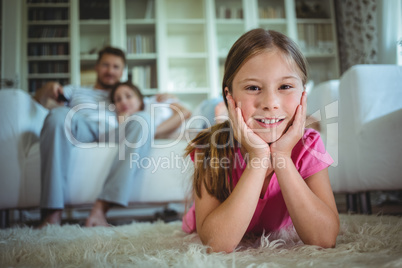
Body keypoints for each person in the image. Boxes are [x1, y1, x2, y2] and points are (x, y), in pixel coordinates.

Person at [181, 29, 340, 253]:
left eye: (285, 87)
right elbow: (216, 244)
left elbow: (324, 238)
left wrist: (282, 156)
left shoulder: (309, 144)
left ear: (303, 94)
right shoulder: (211, 147)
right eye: (253, 88)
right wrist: (259, 157)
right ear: (229, 97)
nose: (270, 103)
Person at [36, 46, 152, 228]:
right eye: (106, 65)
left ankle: (100, 211)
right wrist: (47, 88)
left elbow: (170, 111)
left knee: (144, 119)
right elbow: (39, 101)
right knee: (58, 115)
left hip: (115, 133)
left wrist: (168, 99)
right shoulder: (75, 90)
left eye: (116, 67)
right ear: (97, 67)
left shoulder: (126, 94)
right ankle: (52, 214)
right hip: (81, 126)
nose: (110, 71)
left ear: (122, 71)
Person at [110, 81, 192, 138]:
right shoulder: (122, 121)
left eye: (128, 96)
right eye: (118, 99)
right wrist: (123, 123)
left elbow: (185, 112)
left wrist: (152, 132)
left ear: (139, 98)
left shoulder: (158, 100)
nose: (123, 102)